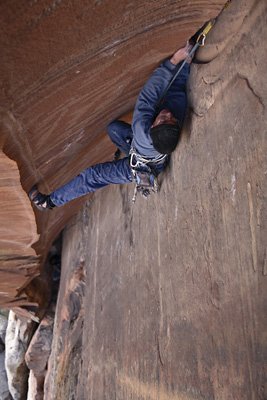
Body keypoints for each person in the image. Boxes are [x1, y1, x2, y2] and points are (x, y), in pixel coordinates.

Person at [29, 42, 193, 210]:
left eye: (163, 119)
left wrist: (174, 60)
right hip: (149, 152)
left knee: (93, 176)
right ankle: (132, 152)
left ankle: (49, 202)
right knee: (114, 129)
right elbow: (177, 89)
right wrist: (186, 61)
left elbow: (149, 94)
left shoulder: (142, 129)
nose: (167, 114)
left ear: (151, 127)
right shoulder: (174, 118)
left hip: (140, 166)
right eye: (170, 118)